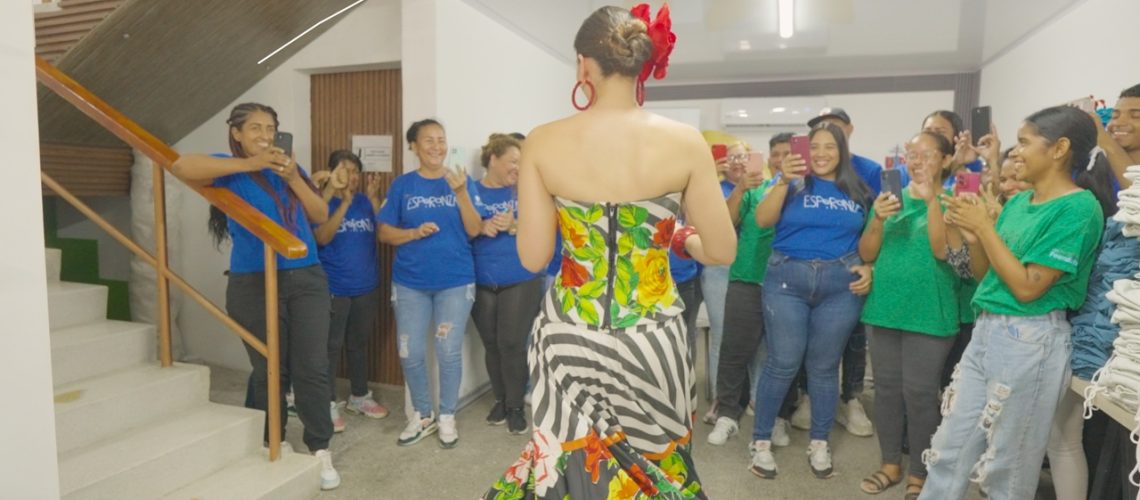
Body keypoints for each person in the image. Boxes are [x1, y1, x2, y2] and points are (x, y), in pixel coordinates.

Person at [484, 5, 736, 498]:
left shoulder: (543, 141)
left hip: (568, 338)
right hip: (653, 338)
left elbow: (533, 258)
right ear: (642, 63)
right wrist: (674, 235)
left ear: (584, 65)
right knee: (653, 471)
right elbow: (722, 249)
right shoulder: (685, 143)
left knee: (571, 469)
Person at [920, 106, 1115, 500]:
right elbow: (984, 275)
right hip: (988, 332)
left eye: (1024, 143)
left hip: (1031, 341)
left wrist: (984, 228)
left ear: (1059, 148)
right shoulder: (1019, 203)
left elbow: (1028, 288)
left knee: (1005, 470)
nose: (1015, 153)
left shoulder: (1078, 208)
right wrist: (974, 236)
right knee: (948, 453)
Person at [170, 102, 340, 490]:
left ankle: (319, 448)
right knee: (270, 369)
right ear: (237, 134)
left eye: (271, 128)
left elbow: (318, 213)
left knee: (312, 367)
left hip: (307, 277)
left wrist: (294, 176)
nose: (265, 136)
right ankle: (273, 440)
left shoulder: (288, 169)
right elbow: (182, 167)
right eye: (255, 129)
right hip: (254, 280)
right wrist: (251, 164)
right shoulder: (228, 168)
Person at [749, 122, 874, 480]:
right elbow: (762, 220)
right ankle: (760, 442)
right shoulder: (789, 184)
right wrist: (784, 181)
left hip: (841, 284)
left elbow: (871, 240)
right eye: (813, 147)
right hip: (788, 279)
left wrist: (871, 267)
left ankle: (819, 442)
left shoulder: (857, 189)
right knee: (783, 362)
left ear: (842, 151)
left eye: (829, 147)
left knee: (823, 367)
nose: (820, 154)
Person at [857, 131, 960, 500]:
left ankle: (919, 471)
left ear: (946, 160)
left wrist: (933, 197)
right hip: (884, 309)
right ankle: (889, 463)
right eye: (911, 154)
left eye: (927, 154)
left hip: (930, 313)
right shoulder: (889, 198)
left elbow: (943, 251)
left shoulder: (955, 198)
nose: (916, 161)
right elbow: (868, 253)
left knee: (919, 394)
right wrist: (879, 220)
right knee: (885, 391)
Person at [377, 118, 482, 449]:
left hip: (455, 281)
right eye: (428, 140)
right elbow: (383, 232)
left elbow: (475, 230)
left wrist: (462, 193)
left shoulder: (461, 182)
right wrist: (412, 233)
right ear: (413, 147)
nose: (437, 146)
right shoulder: (402, 186)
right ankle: (422, 415)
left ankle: (447, 415)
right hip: (410, 283)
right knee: (409, 352)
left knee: (447, 350)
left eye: (441, 139)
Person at [707, 133, 794, 447]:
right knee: (733, 352)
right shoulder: (755, 188)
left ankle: (777, 419)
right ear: (769, 158)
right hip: (746, 278)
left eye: (789, 153)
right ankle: (728, 415)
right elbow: (726, 221)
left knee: (783, 356)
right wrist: (741, 187)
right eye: (777, 154)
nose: (782, 159)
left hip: (787, 283)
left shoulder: (802, 190)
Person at [799, 107, 878, 438]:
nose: (827, 135)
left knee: (853, 340)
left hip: (855, 268)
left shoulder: (868, 169)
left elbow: (880, 219)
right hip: (810, 272)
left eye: (835, 128)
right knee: (809, 340)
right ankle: (806, 398)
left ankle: (851, 399)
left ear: (850, 129)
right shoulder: (804, 170)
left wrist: (871, 265)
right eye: (819, 130)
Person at [311, 150, 389, 435]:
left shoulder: (364, 201)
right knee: (330, 348)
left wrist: (373, 197)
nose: (351, 176)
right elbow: (321, 237)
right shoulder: (321, 202)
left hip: (366, 287)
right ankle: (328, 403)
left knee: (358, 344)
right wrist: (342, 205)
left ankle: (359, 397)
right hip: (334, 287)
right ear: (331, 172)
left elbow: (383, 230)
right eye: (345, 170)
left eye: (355, 171)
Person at [470, 133, 543, 435]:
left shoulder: (525, 191)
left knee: (512, 344)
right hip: (481, 279)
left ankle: (515, 406)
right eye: (513, 160)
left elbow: (544, 228)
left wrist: (515, 225)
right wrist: (481, 227)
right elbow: (460, 228)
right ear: (493, 159)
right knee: (492, 344)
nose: (518, 167)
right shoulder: (470, 191)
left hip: (521, 278)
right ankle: (499, 400)